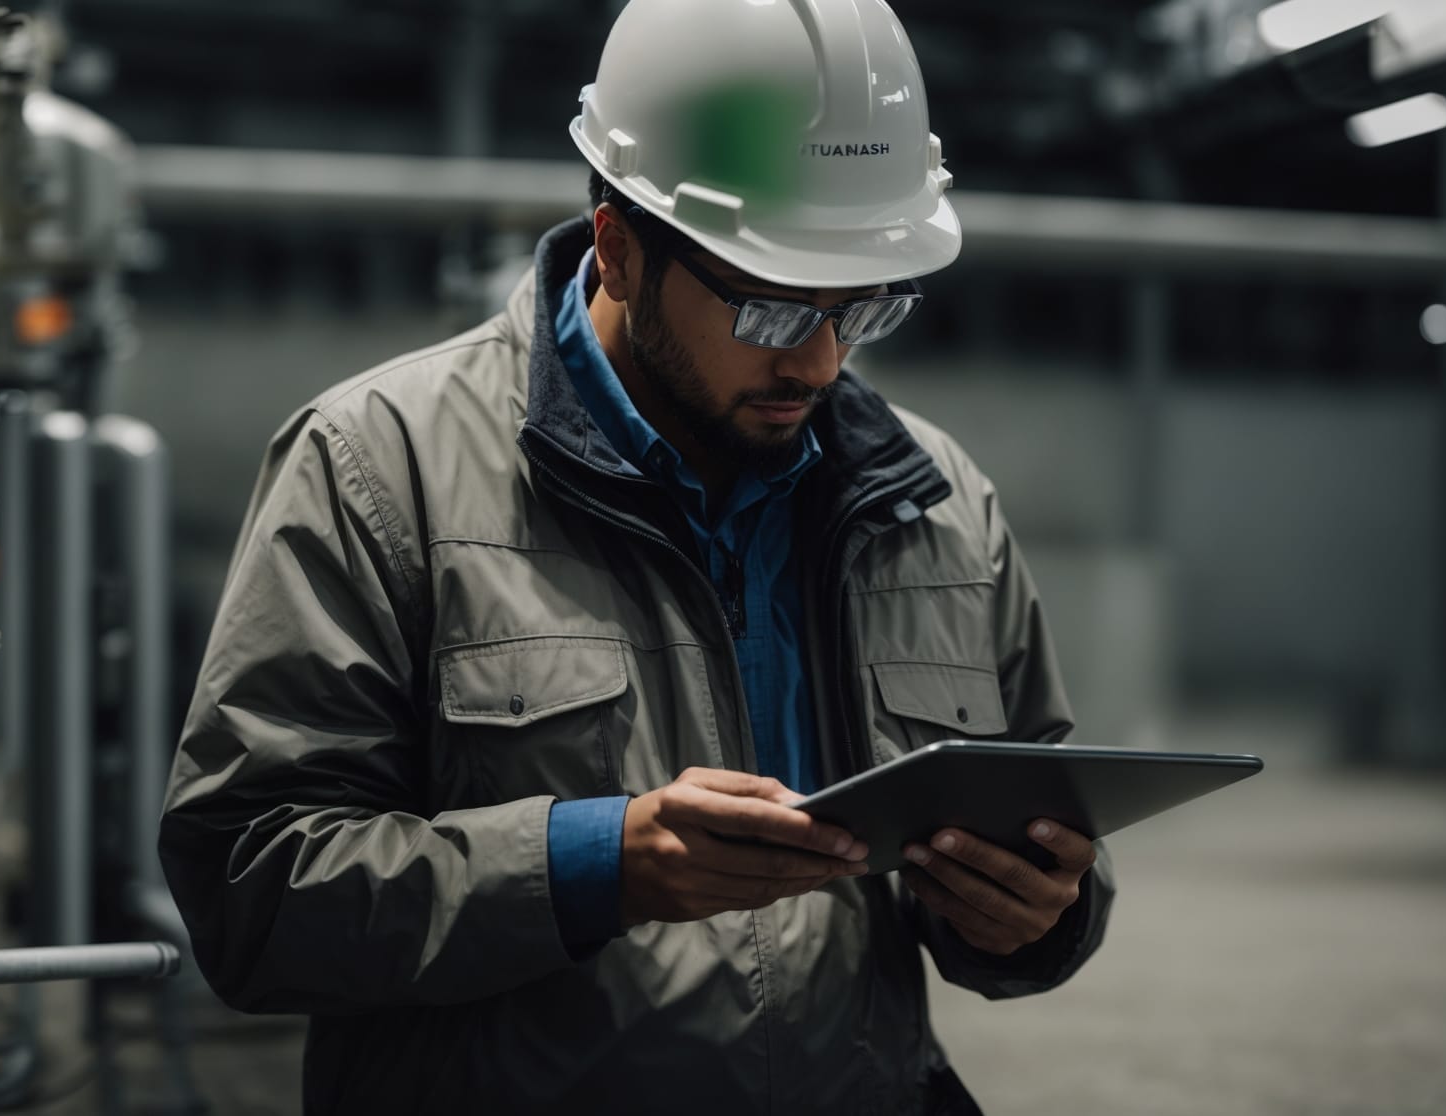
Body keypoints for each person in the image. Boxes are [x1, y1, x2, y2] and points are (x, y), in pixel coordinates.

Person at [159, 0, 1113, 1111]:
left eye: (860, 309)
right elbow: (253, 893)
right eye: (766, 310)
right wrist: (593, 864)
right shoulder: (380, 467)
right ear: (618, 247)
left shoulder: (936, 501)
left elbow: (1052, 829)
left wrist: (1033, 917)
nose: (815, 362)